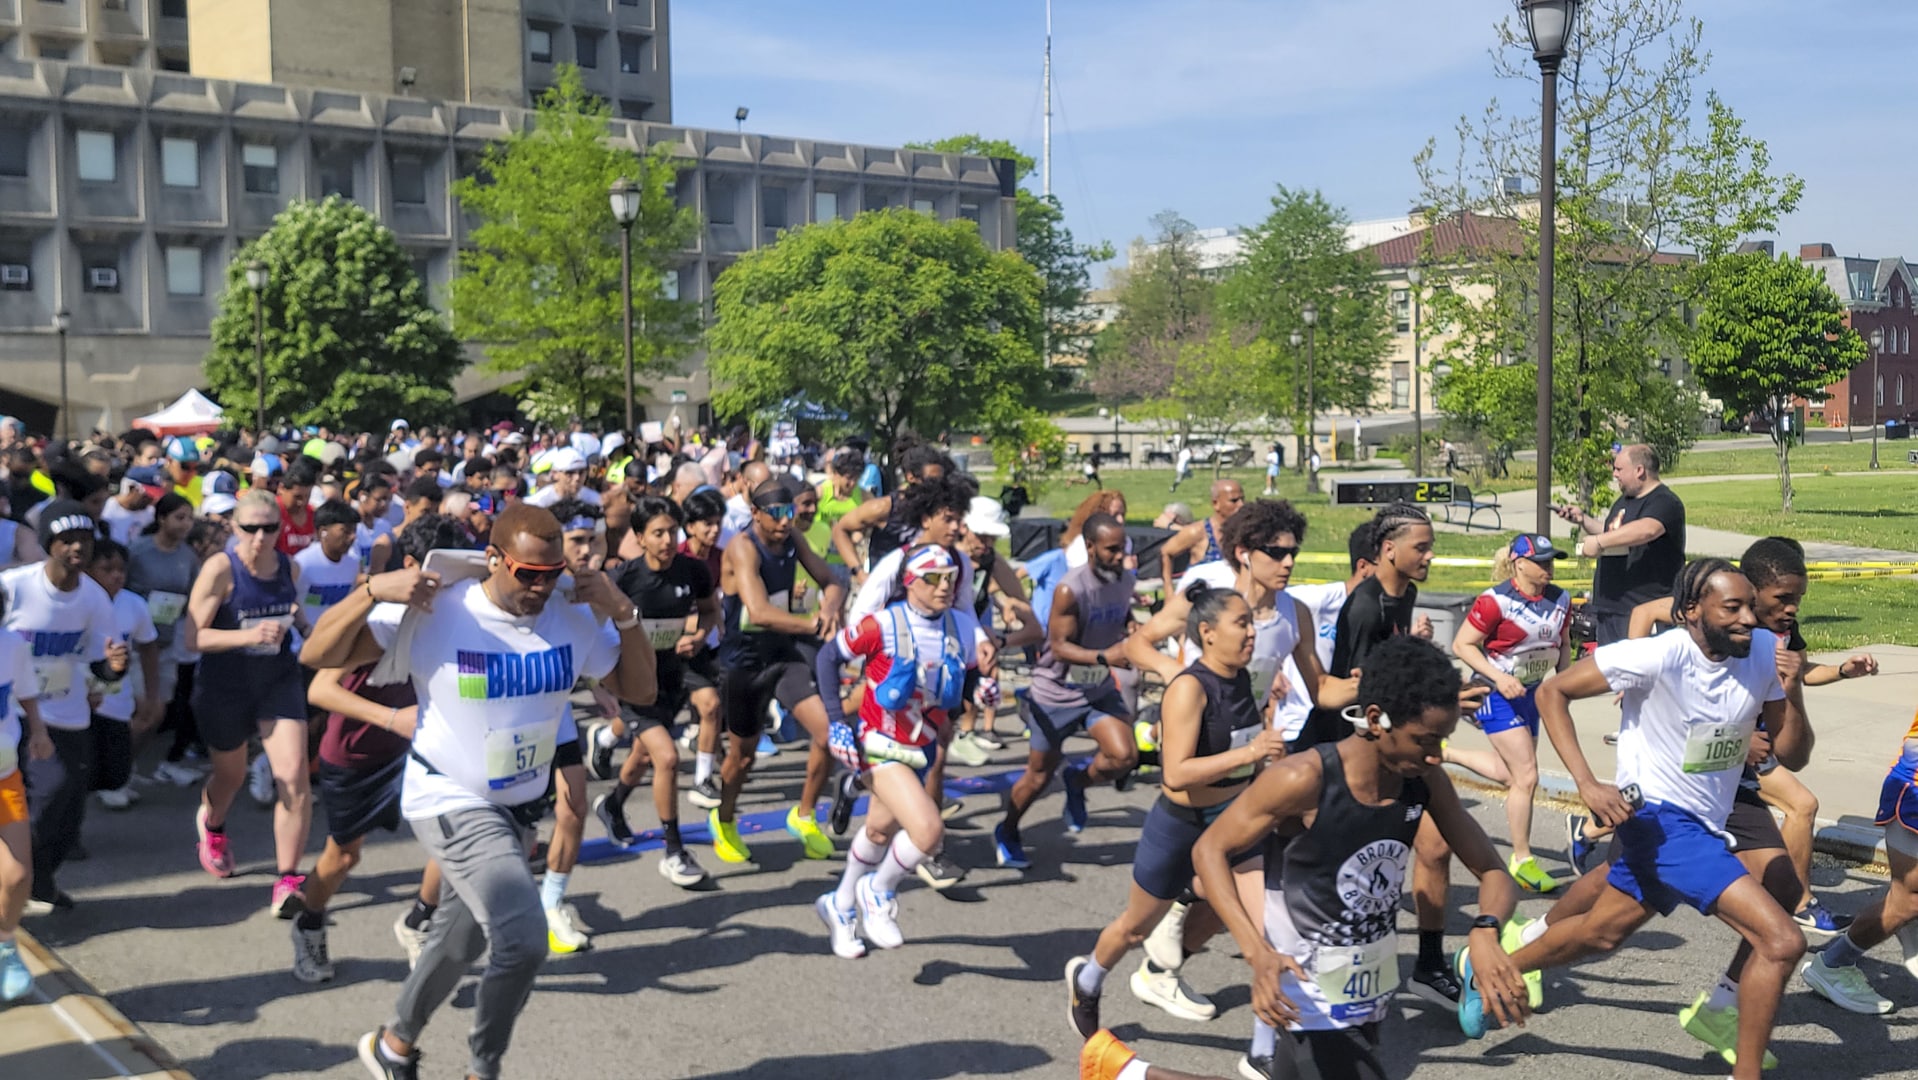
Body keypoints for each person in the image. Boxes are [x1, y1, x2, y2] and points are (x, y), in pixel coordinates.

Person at [302, 503, 656, 1080]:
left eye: (552, 573)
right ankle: (482, 1069)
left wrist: (624, 613)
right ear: (494, 560)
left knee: (459, 941)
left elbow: (640, 689)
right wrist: (372, 590)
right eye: (527, 574)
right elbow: (314, 655)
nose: (541, 587)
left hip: (517, 803)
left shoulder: (571, 612)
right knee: (523, 939)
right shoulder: (439, 611)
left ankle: (393, 1044)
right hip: (449, 796)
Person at [1484, 560, 1803, 1080]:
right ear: (1691, 613)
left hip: (1704, 820)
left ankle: (1497, 969)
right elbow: (1552, 692)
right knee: (1782, 940)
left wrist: (1792, 692)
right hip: (1658, 816)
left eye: (1751, 605)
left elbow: (1792, 753)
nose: (1750, 618)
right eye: (1734, 608)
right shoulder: (1657, 653)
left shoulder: (1765, 650)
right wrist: (1589, 784)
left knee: (1602, 935)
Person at [1191, 635, 1527, 1080]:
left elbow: (1491, 870)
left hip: (1368, 989)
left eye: (1442, 741)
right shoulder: (1303, 778)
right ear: (1376, 719)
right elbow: (1210, 848)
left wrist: (1486, 930)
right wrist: (1256, 952)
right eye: (1424, 740)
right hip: (1304, 988)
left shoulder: (1424, 780)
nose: (1434, 754)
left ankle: (1129, 1072)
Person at [1121, 501, 1357, 1018]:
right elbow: (1138, 643)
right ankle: (1159, 949)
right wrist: (1180, 679)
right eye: (1277, 552)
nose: (1288, 562)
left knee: (1254, 878)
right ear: (1246, 554)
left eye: (1294, 551)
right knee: (1229, 876)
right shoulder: (1208, 594)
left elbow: (1322, 690)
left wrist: (1377, 685)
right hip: (1197, 757)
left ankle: (1170, 959)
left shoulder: (1292, 612)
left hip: (1252, 760)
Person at [1065, 584, 1286, 1036]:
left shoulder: (1243, 678)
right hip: (1179, 824)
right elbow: (1177, 773)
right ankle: (1087, 981)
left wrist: (1267, 760)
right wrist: (1251, 754)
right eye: (1240, 624)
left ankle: (1265, 1050)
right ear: (1206, 632)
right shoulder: (1188, 689)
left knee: (1266, 934)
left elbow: (1244, 743)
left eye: (1252, 623)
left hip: (1234, 823)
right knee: (1133, 929)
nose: (1251, 634)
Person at [1292, 503, 1457, 1008]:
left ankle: (1428, 965)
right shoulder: (1365, 605)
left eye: (1430, 546)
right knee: (1286, 856)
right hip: (1346, 746)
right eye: (1421, 547)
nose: (1429, 556)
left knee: (1436, 848)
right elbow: (1367, 694)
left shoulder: (1403, 593)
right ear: (1388, 550)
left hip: (1399, 744)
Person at [292, 513, 465, 984]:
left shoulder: (455, 614)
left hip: (421, 746)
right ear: (411, 565)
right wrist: (393, 718)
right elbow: (320, 691)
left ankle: (417, 923)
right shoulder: (383, 619)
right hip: (358, 752)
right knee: (344, 858)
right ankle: (308, 920)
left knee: (456, 838)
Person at [814, 544, 980, 957]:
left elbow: (963, 678)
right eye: (933, 579)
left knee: (877, 832)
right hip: (880, 744)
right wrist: (837, 722)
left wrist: (982, 693)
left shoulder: (960, 626)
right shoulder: (882, 625)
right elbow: (827, 658)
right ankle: (878, 890)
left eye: (950, 579)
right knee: (927, 831)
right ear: (909, 582)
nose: (944, 587)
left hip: (921, 746)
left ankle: (839, 905)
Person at [185, 489, 314, 916]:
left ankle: (288, 878)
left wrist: (302, 623)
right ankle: (213, 824)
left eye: (269, 527)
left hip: (277, 681)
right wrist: (247, 636)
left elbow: (293, 610)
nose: (260, 537)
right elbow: (192, 637)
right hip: (225, 686)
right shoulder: (220, 569)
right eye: (250, 528)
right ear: (235, 528)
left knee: (293, 777)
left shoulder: (290, 567)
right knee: (231, 776)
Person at [709, 479, 846, 864]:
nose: (787, 521)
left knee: (828, 735)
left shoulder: (792, 540)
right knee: (743, 759)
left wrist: (830, 609)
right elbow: (760, 613)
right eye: (778, 514)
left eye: (791, 513)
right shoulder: (742, 547)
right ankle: (724, 818)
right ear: (755, 513)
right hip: (745, 662)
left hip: (783, 655)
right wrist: (814, 624)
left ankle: (803, 816)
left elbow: (832, 582)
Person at [2, 502, 127, 912]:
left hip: (65, 712)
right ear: (48, 545)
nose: (78, 548)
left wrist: (112, 669)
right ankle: (18, 881)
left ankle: (39, 880)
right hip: (12, 712)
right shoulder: (16, 585)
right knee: (34, 801)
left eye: (85, 541)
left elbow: (102, 662)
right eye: (67, 540)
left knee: (67, 808)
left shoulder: (94, 598)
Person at [995, 512, 1136, 870]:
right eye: (1112, 549)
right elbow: (1058, 646)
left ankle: (1077, 781)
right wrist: (1107, 656)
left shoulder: (1125, 579)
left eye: (1124, 548)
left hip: (1097, 689)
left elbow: (1120, 613)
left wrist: (1132, 627)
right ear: (1090, 548)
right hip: (1056, 692)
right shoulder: (1070, 588)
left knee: (1123, 756)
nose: (1121, 556)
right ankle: (1008, 830)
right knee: (1039, 776)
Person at [593, 495, 715, 888]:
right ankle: (674, 850)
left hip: (672, 675)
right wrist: (602, 684)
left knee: (645, 755)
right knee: (665, 757)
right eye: (658, 533)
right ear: (639, 538)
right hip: (632, 682)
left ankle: (612, 806)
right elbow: (594, 629)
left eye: (672, 532)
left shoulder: (692, 571)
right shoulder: (623, 578)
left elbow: (711, 609)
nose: (667, 540)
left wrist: (698, 636)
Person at [1440, 535, 1572, 894]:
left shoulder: (1561, 598)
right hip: (1496, 693)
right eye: (1541, 562)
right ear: (1519, 564)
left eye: (1551, 561)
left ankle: (1445, 754)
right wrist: (1499, 678)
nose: (1548, 568)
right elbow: (1461, 644)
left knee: (1510, 773)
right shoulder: (1495, 601)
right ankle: (1522, 859)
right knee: (1527, 776)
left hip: (1531, 694)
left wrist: (1566, 685)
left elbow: (1561, 645)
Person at [1553, 443, 1685, 646]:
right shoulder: (1624, 501)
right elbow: (1613, 534)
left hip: (1644, 609)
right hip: (1612, 608)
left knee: (1641, 672)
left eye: (1619, 469)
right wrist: (1583, 520)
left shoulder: (1664, 502)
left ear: (1639, 470)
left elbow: (1647, 530)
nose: (1614, 474)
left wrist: (1599, 542)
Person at [128, 494, 201, 787]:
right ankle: (116, 775)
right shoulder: (139, 551)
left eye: (189, 518)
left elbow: (193, 597)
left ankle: (127, 768)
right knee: (142, 710)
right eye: (179, 517)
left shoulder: (188, 558)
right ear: (162, 519)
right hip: (136, 645)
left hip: (168, 644)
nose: (185, 524)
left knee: (157, 714)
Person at [84, 540, 160, 813]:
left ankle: (116, 782)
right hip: (80, 698)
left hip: (117, 696)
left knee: (115, 759)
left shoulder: (134, 604)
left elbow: (148, 648)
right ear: (88, 570)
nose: (116, 575)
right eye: (107, 569)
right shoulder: (79, 602)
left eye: (121, 569)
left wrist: (153, 696)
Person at [0, 604, 50, 1001]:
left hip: (5, 778)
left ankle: (4, 945)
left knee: (17, 877)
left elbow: (26, 692)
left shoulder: (11, 645)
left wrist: (38, 731)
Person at [829, 442, 950, 581]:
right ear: (911, 477)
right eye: (931, 481)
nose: (937, 487)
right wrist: (860, 574)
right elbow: (840, 530)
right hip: (888, 592)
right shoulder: (885, 507)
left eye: (940, 481)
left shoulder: (940, 508)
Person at [1159, 480, 1245, 587]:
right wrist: (1169, 592)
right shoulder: (1198, 532)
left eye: (1242, 499)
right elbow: (1166, 552)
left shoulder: (1245, 532)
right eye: (1234, 500)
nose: (1241, 505)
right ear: (1215, 504)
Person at [296, 501, 364, 626]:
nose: (353, 537)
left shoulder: (353, 564)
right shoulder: (302, 563)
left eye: (354, 531)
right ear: (323, 531)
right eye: (345, 531)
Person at [353, 476, 396, 575]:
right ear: (363, 496)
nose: (384, 504)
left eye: (388, 500)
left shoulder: (385, 526)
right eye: (379, 499)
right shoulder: (351, 527)